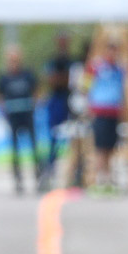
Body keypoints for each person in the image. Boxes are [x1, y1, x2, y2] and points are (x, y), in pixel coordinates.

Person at [0, 46, 39, 194]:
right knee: (15, 149)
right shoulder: (4, 77)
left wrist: (34, 105)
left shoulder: (27, 75)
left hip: (27, 114)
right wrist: (3, 112)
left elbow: (36, 92)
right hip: (13, 116)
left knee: (33, 147)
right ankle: (18, 178)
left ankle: (38, 175)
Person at [84, 36, 126, 189]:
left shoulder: (120, 69)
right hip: (100, 111)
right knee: (100, 147)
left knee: (110, 147)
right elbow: (85, 86)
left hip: (114, 112)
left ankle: (108, 177)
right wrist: (88, 106)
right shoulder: (96, 67)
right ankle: (100, 179)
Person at [41, 34, 74, 179]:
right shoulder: (53, 61)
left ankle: (74, 169)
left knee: (75, 136)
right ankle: (51, 167)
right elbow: (52, 80)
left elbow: (73, 80)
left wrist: (64, 79)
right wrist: (65, 79)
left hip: (70, 100)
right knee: (54, 135)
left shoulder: (72, 61)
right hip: (56, 100)